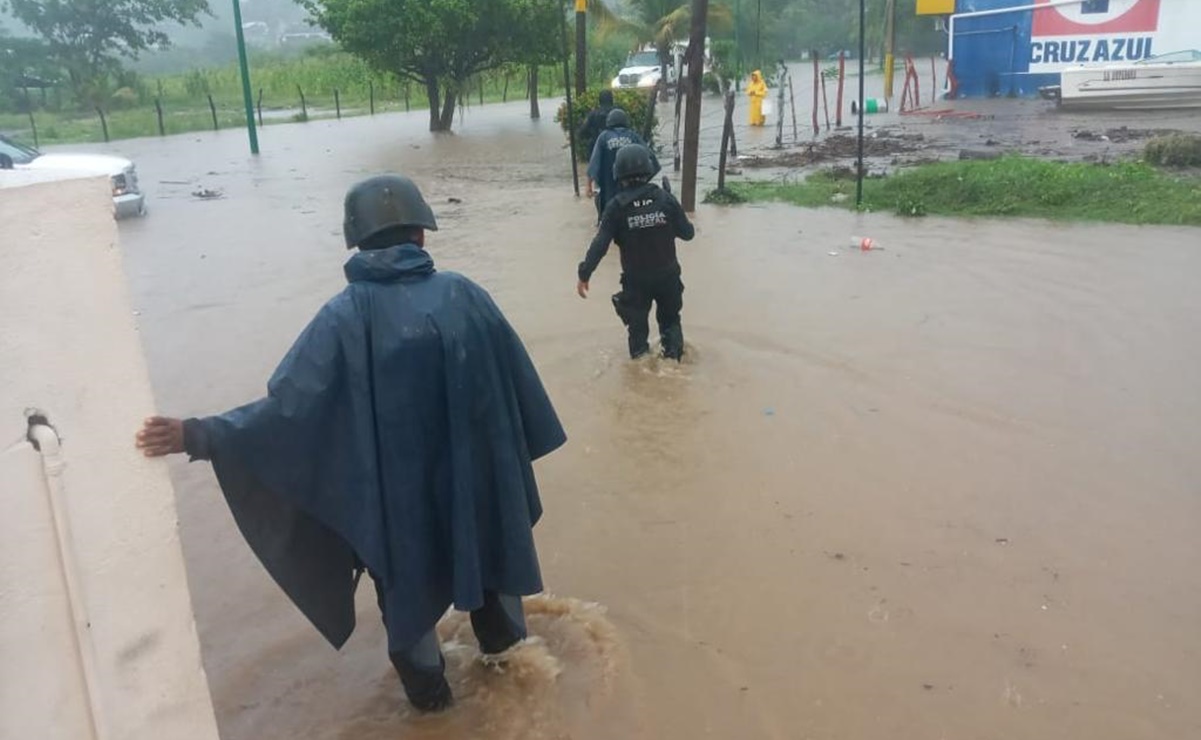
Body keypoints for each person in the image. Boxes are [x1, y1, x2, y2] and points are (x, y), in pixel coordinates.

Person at [134, 175, 566, 713]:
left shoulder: (343, 319)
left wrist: (197, 434)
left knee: (408, 601)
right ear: (421, 236)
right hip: (479, 488)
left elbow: (286, 414)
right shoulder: (467, 295)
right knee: (495, 564)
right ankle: (515, 683)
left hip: (397, 509)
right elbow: (519, 393)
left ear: (356, 243)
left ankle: (435, 713)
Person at [576, 144, 695, 361]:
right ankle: (674, 362)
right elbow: (688, 234)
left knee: (638, 334)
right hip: (668, 277)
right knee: (670, 323)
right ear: (649, 170)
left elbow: (600, 243)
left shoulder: (616, 207)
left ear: (618, 175)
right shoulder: (665, 200)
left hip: (636, 281)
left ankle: (641, 374)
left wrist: (585, 273)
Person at [586, 108, 658, 222]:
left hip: (609, 190)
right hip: (632, 190)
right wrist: (643, 182)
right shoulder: (632, 136)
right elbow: (653, 161)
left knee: (608, 222)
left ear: (609, 122)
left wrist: (589, 186)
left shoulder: (603, 138)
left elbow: (594, 165)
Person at [577, 89, 614, 163]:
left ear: (599, 101)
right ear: (612, 100)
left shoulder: (593, 114)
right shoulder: (619, 112)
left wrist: (591, 135)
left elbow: (581, 132)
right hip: (615, 152)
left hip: (596, 151)